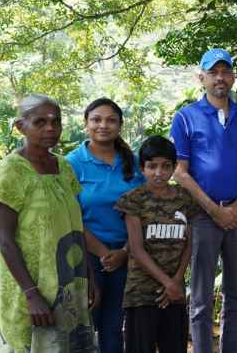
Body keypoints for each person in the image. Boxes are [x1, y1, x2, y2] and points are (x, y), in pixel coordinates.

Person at [171, 48, 237, 353]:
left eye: (225, 72)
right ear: (202, 78)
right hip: (203, 217)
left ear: (233, 77)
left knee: (235, 295)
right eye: (213, 73)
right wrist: (214, 210)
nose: (220, 78)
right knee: (200, 298)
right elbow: (180, 172)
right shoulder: (186, 117)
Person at [0, 95, 97, 352]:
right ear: (21, 127)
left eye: (56, 121)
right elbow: (4, 238)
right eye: (40, 122)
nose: (51, 128)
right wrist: (31, 294)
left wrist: (89, 277)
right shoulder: (12, 170)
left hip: (67, 286)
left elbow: (74, 226)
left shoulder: (63, 166)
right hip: (29, 288)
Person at [65, 98, 145, 353]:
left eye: (111, 120)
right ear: (86, 124)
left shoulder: (132, 162)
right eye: (96, 119)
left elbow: (144, 209)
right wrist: (103, 253)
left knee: (113, 326)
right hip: (85, 257)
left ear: (120, 125)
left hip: (128, 254)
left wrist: (124, 252)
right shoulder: (72, 163)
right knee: (86, 326)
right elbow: (70, 216)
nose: (103, 125)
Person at [115, 136, 200, 353]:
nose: (158, 172)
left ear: (174, 168)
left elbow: (188, 243)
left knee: (174, 347)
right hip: (141, 292)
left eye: (165, 166)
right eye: (152, 166)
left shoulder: (184, 198)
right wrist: (167, 283)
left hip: (175, 293)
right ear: (142, 168)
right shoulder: (134, 199)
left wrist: (177, 281)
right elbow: (136, 248)